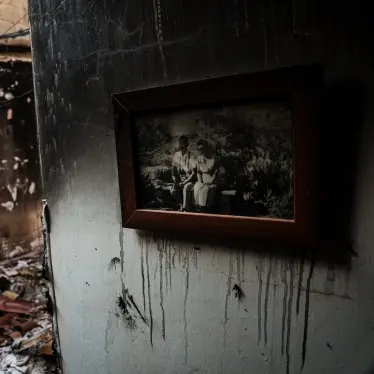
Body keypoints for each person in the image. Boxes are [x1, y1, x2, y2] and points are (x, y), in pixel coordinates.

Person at [193, 139, 220, 211]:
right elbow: (198, 172)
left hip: (212, 181)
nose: (201, 151)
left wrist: (208, 183)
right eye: (199, 149)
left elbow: (216, 174)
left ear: (207, 148)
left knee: (205, 190)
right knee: (197, 187)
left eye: (203, 149)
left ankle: (204, 209)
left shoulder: (215, 158)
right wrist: (201, 182)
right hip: (203, 181)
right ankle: (198, 208)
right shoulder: (199, 158)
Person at [171, 135, 196, 211]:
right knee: (173, 190)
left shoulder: (191, 156)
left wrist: (185, 182)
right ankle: (181, 205)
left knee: (185, 188)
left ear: (187, 145)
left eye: (183, 143)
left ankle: (185, 209)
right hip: (180, 180)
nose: (181, 145)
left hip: (190, 180)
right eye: (180, 143)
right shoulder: (176, 155)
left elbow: (194, 173)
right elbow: (173, 171)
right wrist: (175, 180)